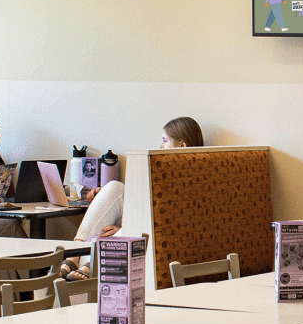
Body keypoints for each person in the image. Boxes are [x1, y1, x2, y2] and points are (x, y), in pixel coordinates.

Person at [60, 117, 204, 280]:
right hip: (139, 223)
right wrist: (123, 225)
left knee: (132, 220)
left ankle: (91, 263)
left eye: (165, 141)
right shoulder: (160, 171)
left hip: (154, 230)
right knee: (115, 187)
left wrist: (126, 228)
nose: (160, 146)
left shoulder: (191, 180)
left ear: (182, 146)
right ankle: (74, 256)